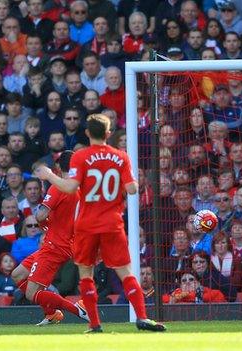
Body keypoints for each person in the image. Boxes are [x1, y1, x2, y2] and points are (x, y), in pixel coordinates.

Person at [35, 113, 165, 333]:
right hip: (112, 223)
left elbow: (69, 187)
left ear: (87, 133)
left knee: (86, 275)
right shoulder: (121, 156)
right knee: (126, 272)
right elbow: (133, 189)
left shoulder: (80, 157)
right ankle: (142, 317)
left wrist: (49, 176)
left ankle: (95, 324)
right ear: (108, 133)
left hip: (87, 225)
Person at [11, 151, 88, 325]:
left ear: (59, 167)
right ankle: (51, 313)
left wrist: (42, 213)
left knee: (31, 293)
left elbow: (40, 216)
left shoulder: (58, 186)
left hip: (55, 246)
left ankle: (77, 309)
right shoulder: (80, 187)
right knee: (17, 275)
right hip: (62, 243)